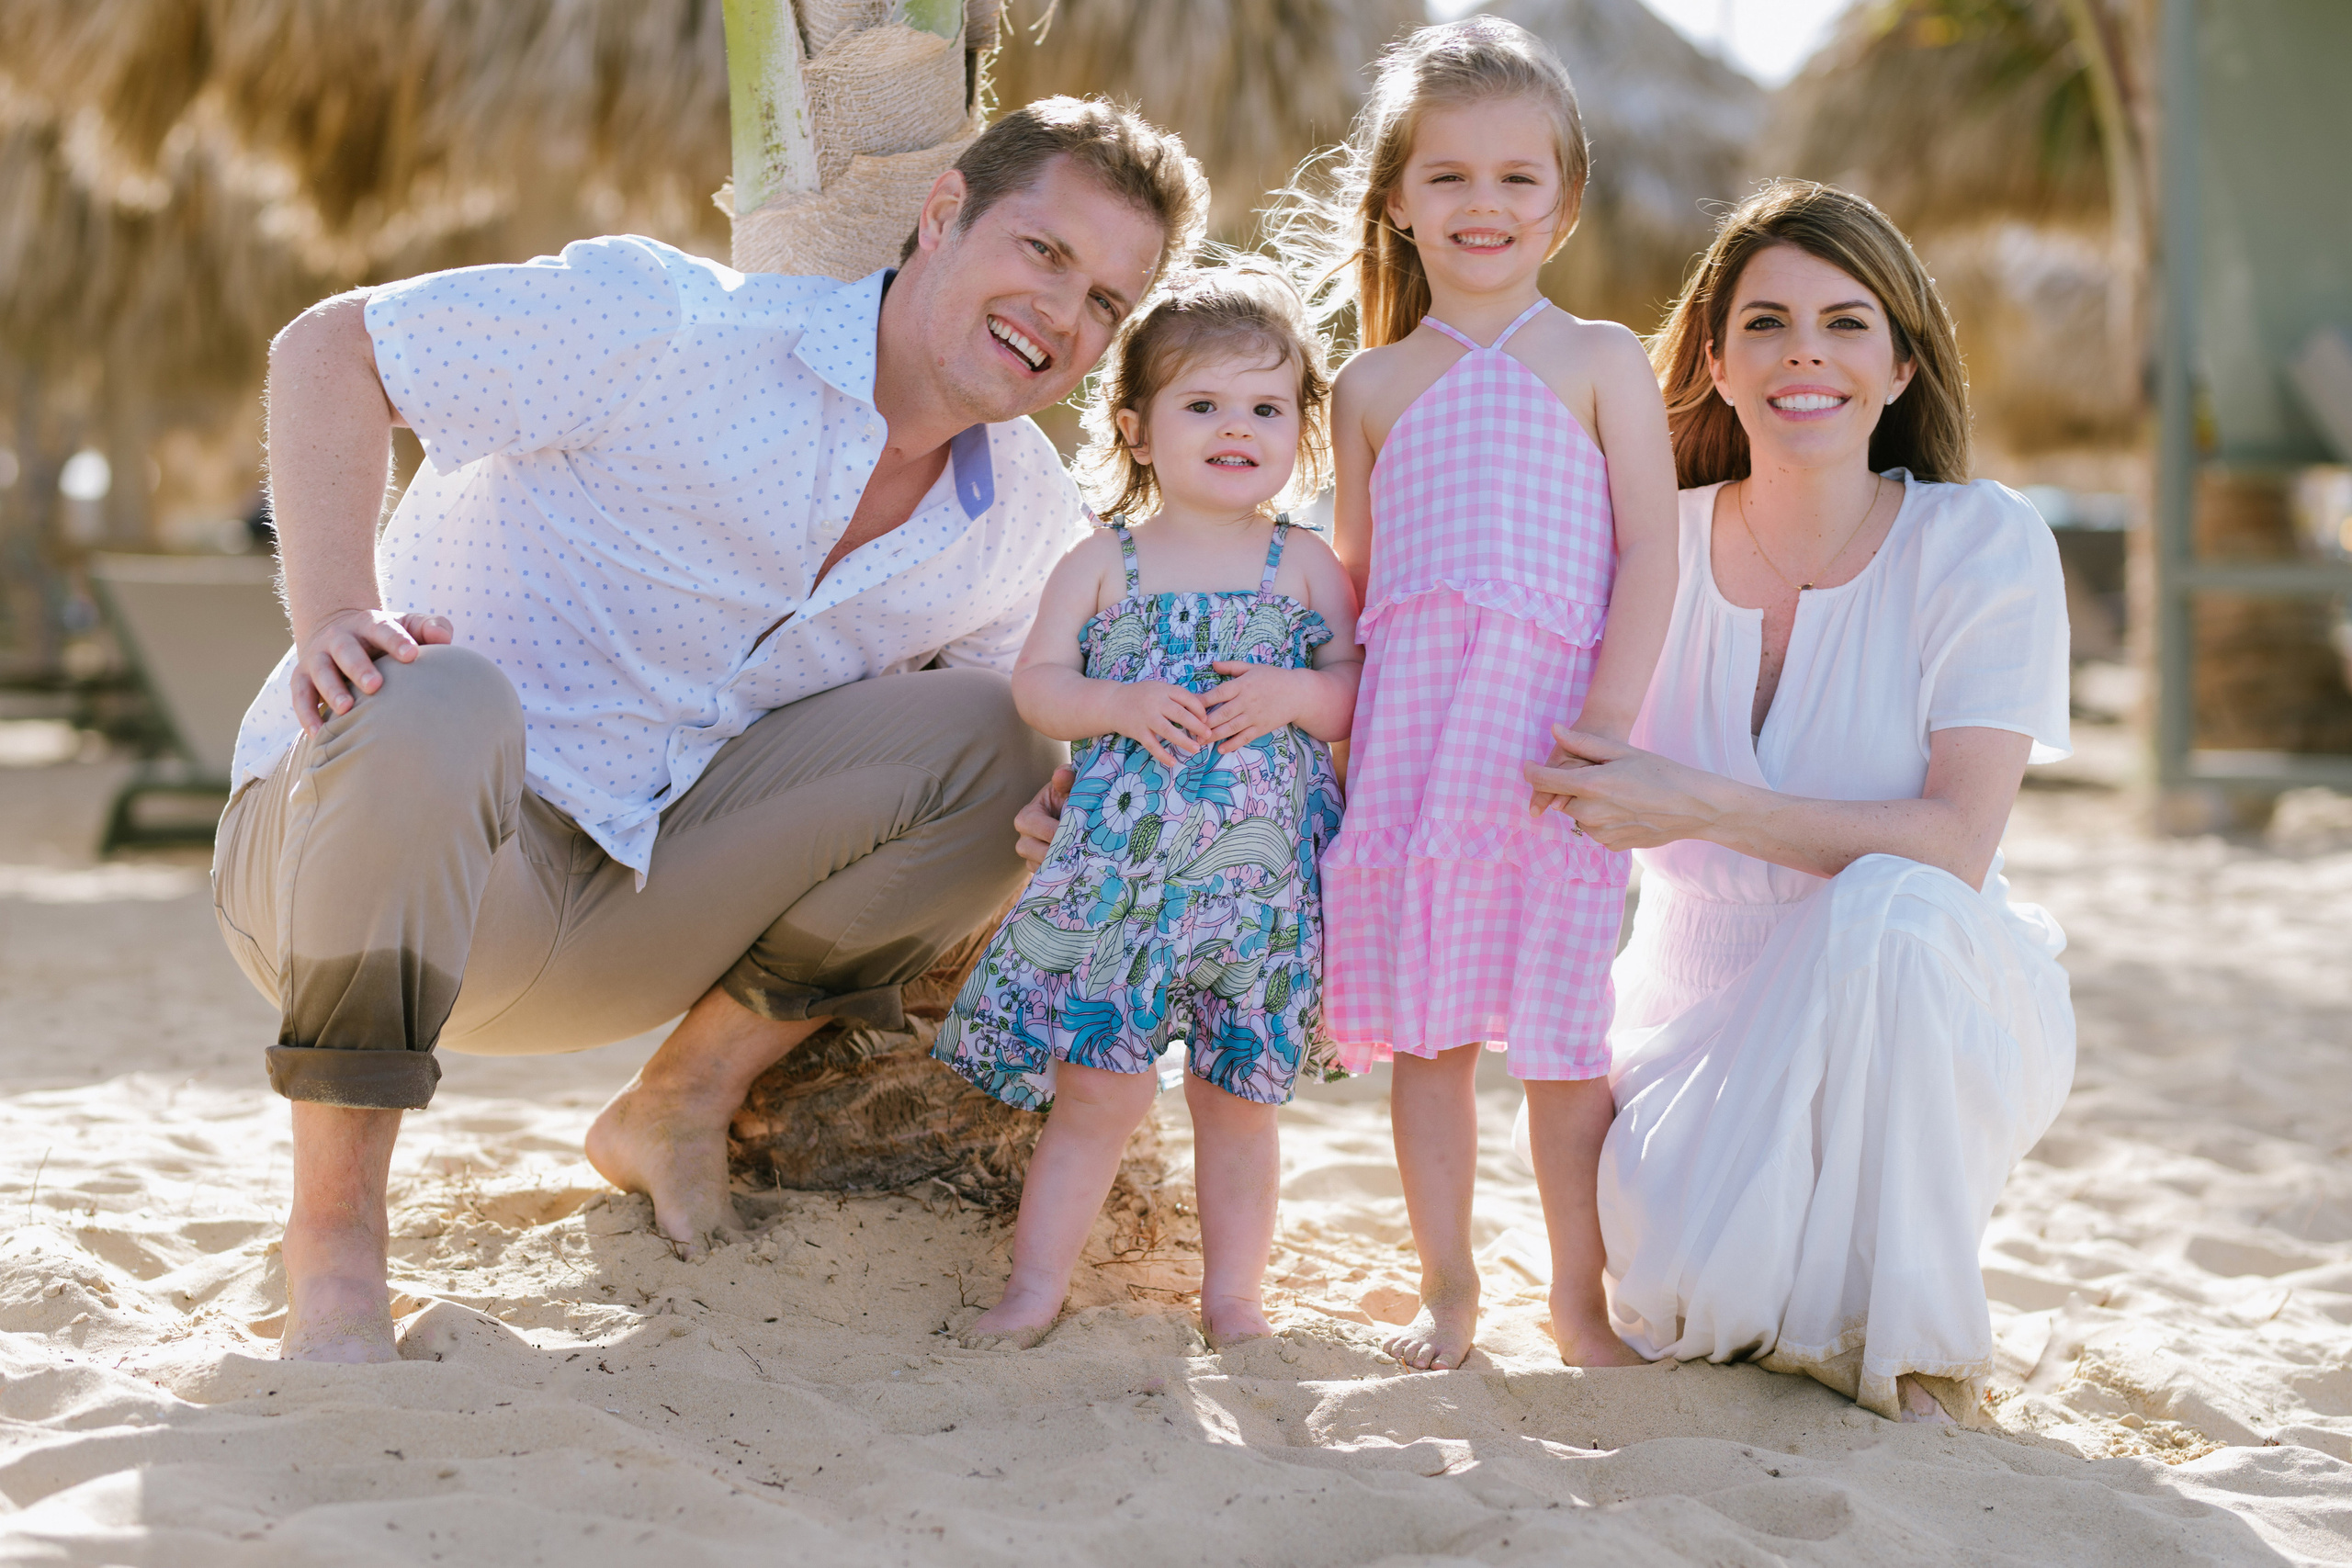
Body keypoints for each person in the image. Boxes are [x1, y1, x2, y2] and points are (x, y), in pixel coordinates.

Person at [215, 97, 1207, 1363]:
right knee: (440, 690)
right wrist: (335, 612)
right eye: (1045, 253)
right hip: (342, 872)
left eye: (1110, 301)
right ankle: (337, 1234)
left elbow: (1021, 757)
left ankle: (681, 1097)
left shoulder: (1022, 526)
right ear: (945, 213)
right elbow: (328, 350)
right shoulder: (671, 323)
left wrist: (1067, 796)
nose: (1064, 315)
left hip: (629, 914)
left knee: (1004, 742)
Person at [1522, 180, 2076, 1424]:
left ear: (1899, 363)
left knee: (1891, 906)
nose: (1804, 353)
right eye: (1765, 322)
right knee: (1700, 1295)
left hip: (1939, 999)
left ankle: (1916, 1359)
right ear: (1714, 361)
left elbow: (1955, 845)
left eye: (1845, 321)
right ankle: (1831, 1309)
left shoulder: (1981, 542)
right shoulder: (1636, 542)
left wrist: (1693, 801)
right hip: (1692, 1025)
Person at [1268, 17, 1679, 1372]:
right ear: (1396, 199)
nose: (1483, 205)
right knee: (1427, 1045)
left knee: (1565, 1049)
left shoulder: (1602, 356)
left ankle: (1578, 1299)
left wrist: (1612, 722)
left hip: (1556, 752)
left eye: (1518, 179)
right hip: (1413, 757)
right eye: (1448, 176)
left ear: (1562, 206)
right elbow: (1359, 585)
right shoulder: (1374, 386)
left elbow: (1652, 549)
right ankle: (1450, 1288)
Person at [937, 263, 1359, 1348]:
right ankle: (1034, 1288)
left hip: (1258, 902)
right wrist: (1119, 702)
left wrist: (1297, 692)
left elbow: (1359, 690)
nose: (1236, 428)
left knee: (1238, 1107)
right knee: (1097, 1098)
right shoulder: (1103, 563)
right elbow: (1038, 684)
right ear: (1134, 428)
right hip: (1123, 891)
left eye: (1266, 408)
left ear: (1300, 431)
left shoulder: (1304, 566)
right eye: (1203, 405)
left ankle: (1233, 1301)